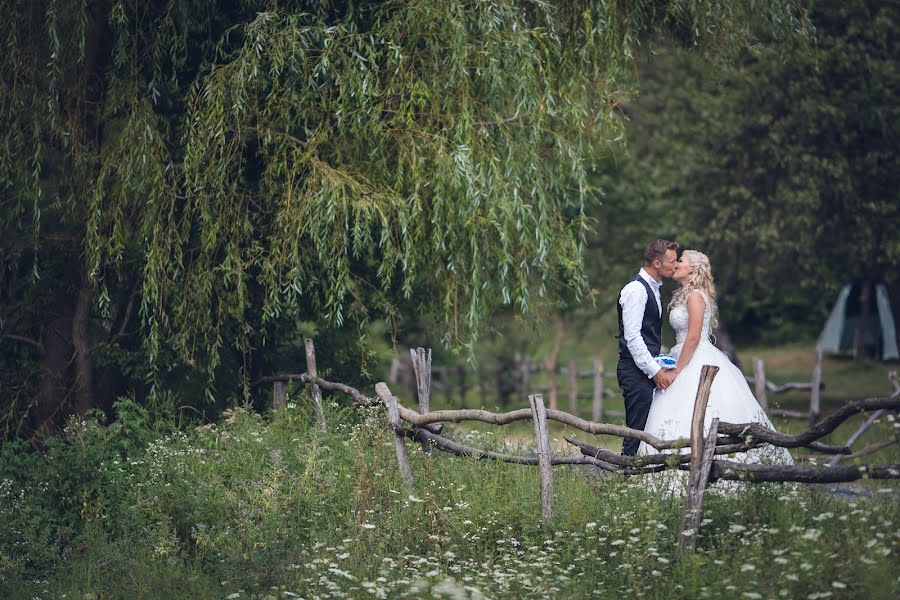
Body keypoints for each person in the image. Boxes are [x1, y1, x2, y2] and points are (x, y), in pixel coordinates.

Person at [637, 250, 793, 467]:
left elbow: (692, 337)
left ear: (692, 269)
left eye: (680, 261)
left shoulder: (695, 297)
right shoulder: (686, 295)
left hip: (694, 357)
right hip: (682, 354)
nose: (676, 264)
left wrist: (676, 370)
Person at [617, 239, 679, 456]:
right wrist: (655, 371)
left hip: (644, 368)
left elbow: (649, 333)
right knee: (636, 431)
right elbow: (632, 337)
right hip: (635, 371)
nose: (676, 265)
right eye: (672, 261)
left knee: (646, 429)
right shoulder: (636, 290)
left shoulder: (653, 289)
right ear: (656, 263)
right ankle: (624, 480)